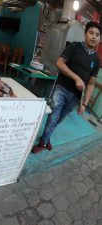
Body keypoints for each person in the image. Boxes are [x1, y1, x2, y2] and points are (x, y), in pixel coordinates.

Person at [32, 21, 101, 154]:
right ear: (85, 34)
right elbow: (59, 63)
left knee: (59, 120)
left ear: (99, 38)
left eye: (97, 35)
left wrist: (84, 104)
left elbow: (91, 84)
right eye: (91, 33)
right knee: (53, 117)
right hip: (61, 88)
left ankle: (46, 137)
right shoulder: (74, 46)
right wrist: (76, 78)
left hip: (76, 97)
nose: (94, 37)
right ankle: (43, 143)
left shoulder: (96, 60)